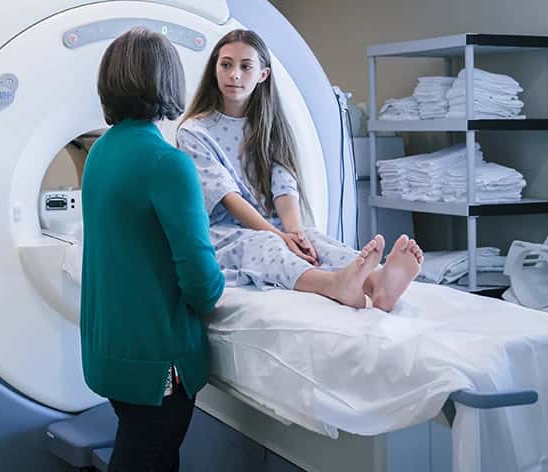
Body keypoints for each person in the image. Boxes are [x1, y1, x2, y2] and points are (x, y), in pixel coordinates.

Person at [176, 29, 422, 312]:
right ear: (214, 69)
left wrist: (293, 232)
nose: (234, 74)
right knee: (265, 245)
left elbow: (284, 185)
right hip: (223, 232)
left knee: (314, 239)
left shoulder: (270, 127)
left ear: (263, 75)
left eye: (246, 67)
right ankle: (334, 285)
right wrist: (278, 236)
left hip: (273, 223)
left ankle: (377, 282)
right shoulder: (194, 131)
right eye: (226, 64)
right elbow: (228, 197)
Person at [81, 27, 225, 472]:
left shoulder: (101, 151)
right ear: (168, 82)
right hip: (157, 365)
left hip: (111, 352)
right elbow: (202, 287)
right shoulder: (168, 163)